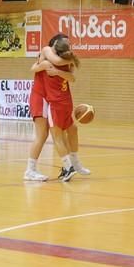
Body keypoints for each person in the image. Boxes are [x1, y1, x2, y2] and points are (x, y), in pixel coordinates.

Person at [24, 34, 90, 181]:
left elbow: (72, 78)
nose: (69, 44)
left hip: (53, 98)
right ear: (55, 43)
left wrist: (64, 66)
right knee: (43, 135)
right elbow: (36, 67)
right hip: (40, 96)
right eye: (66, 42)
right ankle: (31, 170)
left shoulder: (65, 60)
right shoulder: (47, 51)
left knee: (72, 129)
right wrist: (40, 65)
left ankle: (74, 163)